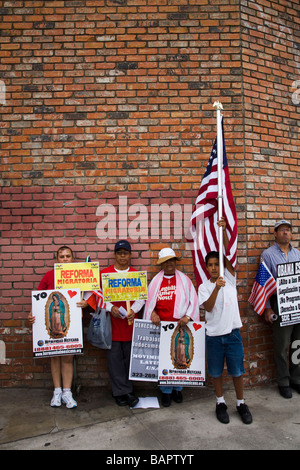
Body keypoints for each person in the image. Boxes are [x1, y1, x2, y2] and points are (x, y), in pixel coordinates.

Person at [198, 219, 252, 424]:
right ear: (206, 268)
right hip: (213, 336)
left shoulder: (229, 278)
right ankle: (220, 402)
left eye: (216, 264)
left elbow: (228, 255)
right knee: (215, 371)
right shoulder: (204, 286)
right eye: (210, 265)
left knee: (237, 370)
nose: (213, 268)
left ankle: (240, 403)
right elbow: (208, 307)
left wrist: (223, 232)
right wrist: (216, 288)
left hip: (232, 334)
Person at [28, 246, 88, 409]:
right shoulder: (49, 275)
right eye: (61, 256)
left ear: (73, 259)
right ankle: (57, 391)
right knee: (54, 356)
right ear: (57, 260)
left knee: (68, 356)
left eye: (68, 256)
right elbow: (38, 298)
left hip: (70, 323)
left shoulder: (79, 275)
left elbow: (89, 294)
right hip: (52, 320)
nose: (65, 259)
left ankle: (67, 392)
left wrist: (86, 303)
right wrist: (31, 314)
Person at [86, 240, 144, 407]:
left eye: (126, 253)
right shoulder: (106, 274)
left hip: (130, 324)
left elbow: (141, 298)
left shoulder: (135, 274)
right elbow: (98, 297)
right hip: (111, 325)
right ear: (115, 255)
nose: (123, 256)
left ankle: (126, 390)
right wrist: (111, 308)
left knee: (128, 359)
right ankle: (121, 392)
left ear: (130, 255)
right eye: (119, 253)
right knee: (114, 360)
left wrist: (133, 308)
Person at [143, 247, 199, 407]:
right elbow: (149, 302)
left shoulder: (185, 280)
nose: (169, 263)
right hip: (161, 327)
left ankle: (178, 388)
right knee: (164, 360)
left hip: (179, 326)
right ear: (161, 264)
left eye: (172, 260)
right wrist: (153, 313)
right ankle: (166, 391)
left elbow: (193, 301)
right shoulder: (155, 281)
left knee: (179, 356)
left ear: (175, 262)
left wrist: (187, 316)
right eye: (166, 261)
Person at [261, 220, 300, 399]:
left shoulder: (297, 254)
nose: (285, 233)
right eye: (282, 230)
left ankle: (296, 378)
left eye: (288, 230)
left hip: (297, 303)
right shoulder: (268, 255)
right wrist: (268, 308)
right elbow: (264, 284)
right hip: (280, 303)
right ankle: (283, 381)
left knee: (297, 344)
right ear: (275, 234)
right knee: (281, 345)